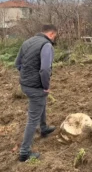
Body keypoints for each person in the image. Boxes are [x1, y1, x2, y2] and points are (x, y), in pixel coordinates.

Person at [15, 24, 58, 162]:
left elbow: (18, 63)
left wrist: (27, 77)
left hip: (25, 84)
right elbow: (45, 69)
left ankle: (44, 128)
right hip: (35, 86)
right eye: (54, 37)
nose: (54, 39)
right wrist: (45, 86)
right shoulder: (46, 45)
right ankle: (24, 152)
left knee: (41, 101)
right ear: (51, 34)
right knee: (33, 119)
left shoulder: (28, 42)